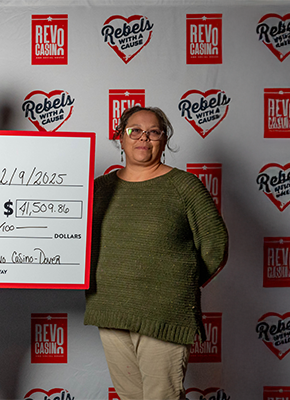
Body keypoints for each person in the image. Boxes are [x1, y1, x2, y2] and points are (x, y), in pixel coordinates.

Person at [85, 106, 228, 400]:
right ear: (120, 138)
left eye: (153, 132)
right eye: (135, 130)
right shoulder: (99, 188)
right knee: (130, 396)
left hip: (165, 313)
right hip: (111, 308)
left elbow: (215, 243)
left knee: (162, 396)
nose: (143, 138)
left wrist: (178, 283)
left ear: (164, 140)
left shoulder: (184, 186)